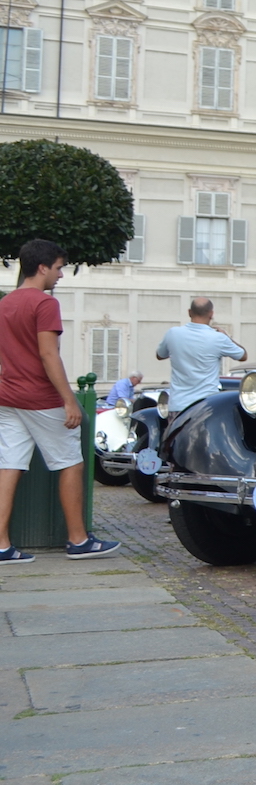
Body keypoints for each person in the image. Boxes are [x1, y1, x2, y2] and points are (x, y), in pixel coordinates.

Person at [0, 239, 120, 562]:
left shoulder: (5, 304)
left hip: (7, 396)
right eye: (58, 267)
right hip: (39, 396)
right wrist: (69, 399)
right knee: (71, 461)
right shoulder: (44, 304)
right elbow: (48, 354)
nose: (61, 275)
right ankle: (78, 540)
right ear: (42, 267)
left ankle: (0, 545)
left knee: (9, 465)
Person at [156, 297, 247, 416]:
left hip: (178, 405)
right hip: (206, 405)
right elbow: (243, 355)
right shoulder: (218, 338)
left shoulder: (172, 333)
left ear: (189, 312)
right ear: (211, 314)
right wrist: (227, 337)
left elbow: (160, 355)